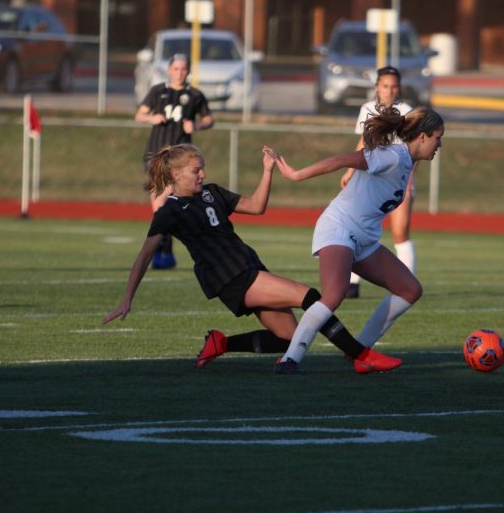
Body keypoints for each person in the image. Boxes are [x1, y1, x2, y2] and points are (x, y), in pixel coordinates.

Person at [102, 143, 402, 376]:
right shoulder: (168, 210)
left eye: (202, 168)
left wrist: (267, 170)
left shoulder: (212, 193)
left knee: (287, 337)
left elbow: (257, 206)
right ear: (176, 174)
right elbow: (144, 256)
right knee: (311, 297)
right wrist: (127, 298)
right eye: (196, 170)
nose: (202, 174)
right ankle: (361, 356)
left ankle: (222, 343)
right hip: (231, 276)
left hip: (248, 266)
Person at [272, 105, 444, 372]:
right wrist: (297, 175)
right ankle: (290, 359)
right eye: (437, 137)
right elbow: (343, 159)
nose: (439, 144)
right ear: (422, 136)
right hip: (339, 228)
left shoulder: (406, 162)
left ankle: (359, 353)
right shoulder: (393, 156)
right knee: (335, 293)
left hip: (364, 240)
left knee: (410, 290)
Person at [339, 66, 415, 299]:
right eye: (385, 86)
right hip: (371, 180)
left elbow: (413, 150)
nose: (389, 90)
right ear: (377, 87)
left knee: (399, 231)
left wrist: (408, 182)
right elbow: (364, 142)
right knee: (359, 228)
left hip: (396, 180)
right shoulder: (368, 109)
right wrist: (350, 171)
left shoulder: (407, 112)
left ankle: (408, 284)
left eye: (394, 86)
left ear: (398, 88)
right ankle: (352, 284)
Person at [134, 54, 214, 270]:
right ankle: (163, 253)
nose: (179, 72)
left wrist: (196, 127)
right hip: (156, 157)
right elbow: (139, 115)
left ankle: (166, 252)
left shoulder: (195, 95)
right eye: (176, 68)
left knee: (173, 207)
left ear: (188, 72)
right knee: (161, 205)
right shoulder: (158, 91)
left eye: (183, 68)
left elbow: (209, 119)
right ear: (169, 70)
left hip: (181, 161)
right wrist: (152, 118)